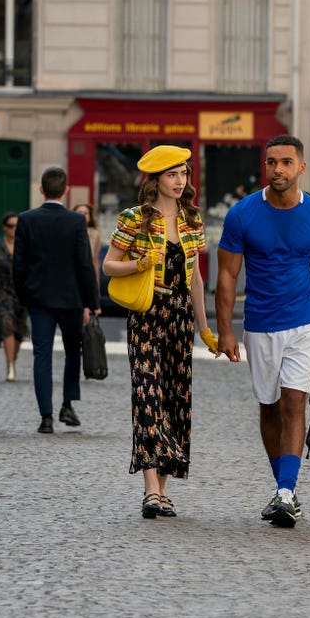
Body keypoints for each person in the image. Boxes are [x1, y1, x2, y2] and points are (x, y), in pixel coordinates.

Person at [216, 134, 310, 528]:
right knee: (270, 406)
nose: (278, 169)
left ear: (301, 168)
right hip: (259, 324)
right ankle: (283, 487)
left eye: (286, 162)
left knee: (294, 404)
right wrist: (225, 331)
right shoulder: (242, 214)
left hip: (304, 323)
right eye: (272, 162)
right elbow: (227, 276)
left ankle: (286, 492)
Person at [103, 145, 218, 519]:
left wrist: (205, 328)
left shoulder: (192, 220)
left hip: (181, 316)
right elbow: (108, 266)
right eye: (172, 175)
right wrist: (139, 262)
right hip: (147, 315)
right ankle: (150, 489)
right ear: (155, 179)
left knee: (174, 398)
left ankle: (164, 491)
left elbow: (197, 279)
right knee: (147, 396)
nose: (180, 181)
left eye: (184, 174)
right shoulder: (134, 218)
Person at [13, 167, 100, 434]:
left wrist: (23, 295)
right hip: (71, 298)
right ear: (66, 190)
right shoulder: (76, 221)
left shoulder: (26, 220)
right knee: (73, 353)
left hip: (39, 299)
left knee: (42, 355)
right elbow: (85, 264)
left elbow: (19, 264)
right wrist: (91, 300)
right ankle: (67, 403)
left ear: (41, 190)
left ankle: (46, 416)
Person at [0, 211, 28, 382]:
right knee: (7, 324)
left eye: (17, 226)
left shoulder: (25, 246)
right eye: (11, 226)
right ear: (5, 227)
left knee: (19, 331)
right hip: (2, 292)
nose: (14, 229)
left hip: (22, 293)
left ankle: (13, 360)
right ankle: (10, 365)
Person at [72, 203, 102, 282]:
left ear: (89, 217)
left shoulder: (95, 234)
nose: (82, 215)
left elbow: (95, 260)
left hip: (87, 274)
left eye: (85, 213)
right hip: (72, 274)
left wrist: (96, 281)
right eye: (79, 213)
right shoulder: (68, 231)